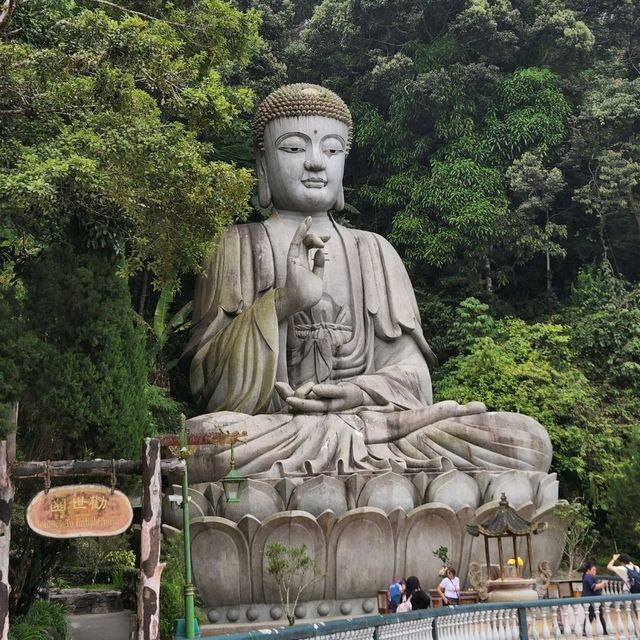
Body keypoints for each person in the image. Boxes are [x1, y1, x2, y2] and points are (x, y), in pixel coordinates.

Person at [185, 83, 553, 480]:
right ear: (262, 163)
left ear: (344, 161)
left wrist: (357, 392)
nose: (314, 163)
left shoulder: (375, 250)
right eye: (293, 148)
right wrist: (283, 303)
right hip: (279, 430)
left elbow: (415, 380)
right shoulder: (235, 245)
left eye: (331, 149)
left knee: (526, 441)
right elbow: (207, 386)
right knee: (205, 443)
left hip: (376, 429)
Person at [582, 562, 608, 634]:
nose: (595, 571)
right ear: (588, 570)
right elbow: (594, 587)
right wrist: (603, 583)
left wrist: (602, 584)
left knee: (595, 615)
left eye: (595, 570)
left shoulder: (588, 577)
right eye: (593, 570)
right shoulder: (588, 577)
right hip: (590, 599)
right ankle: (604, 630)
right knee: (594, 615)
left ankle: (604, 630)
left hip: (592, 599)